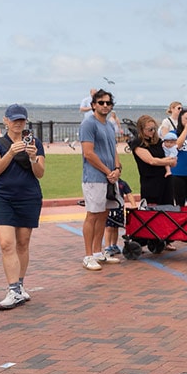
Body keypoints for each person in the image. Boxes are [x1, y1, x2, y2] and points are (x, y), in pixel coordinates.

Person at [0, 104, 45, 309]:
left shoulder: (34, 143)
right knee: (6, 243)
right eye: (14, 120)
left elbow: (40, 173)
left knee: (23, 242)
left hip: (28, 196)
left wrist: (32, 156)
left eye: (21, 120)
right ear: (6, 121)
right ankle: (12, 290)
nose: (18, 123)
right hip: (2, 197)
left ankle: (19, 286)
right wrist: (11, 152)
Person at [80, 90, 122, 271]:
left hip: (109, 178)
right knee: (93, 214)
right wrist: (107, 171)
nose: (105, 105)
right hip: (94, 178)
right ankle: (88, 255)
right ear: (94, 105)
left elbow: (114, 150)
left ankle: (98, 252)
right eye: (101, 102)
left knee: (104, 213)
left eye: (108, 103)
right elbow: (88, 153)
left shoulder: (110, 125)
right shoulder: (88, 124)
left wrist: (117, 169)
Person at [129, 115, 177, 207]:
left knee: (169, 209)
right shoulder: (138, 143)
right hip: (150, 182)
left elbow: (172, 159)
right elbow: (151, 161)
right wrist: (168, 161)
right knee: (152, 210)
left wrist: (169, 160)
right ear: (141, 129)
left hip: (165, 181)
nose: (153, 131)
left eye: (154, 129)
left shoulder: (158, 142)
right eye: (149, 129)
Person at [103, 178, 136, 257]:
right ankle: (107, 247)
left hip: (119, 208)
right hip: (109, 208)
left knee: (116, 227)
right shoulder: (106, 183)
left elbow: (129, 194)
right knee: (109, 227)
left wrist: (133, 204)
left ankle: (114, 245)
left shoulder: (122, 183)